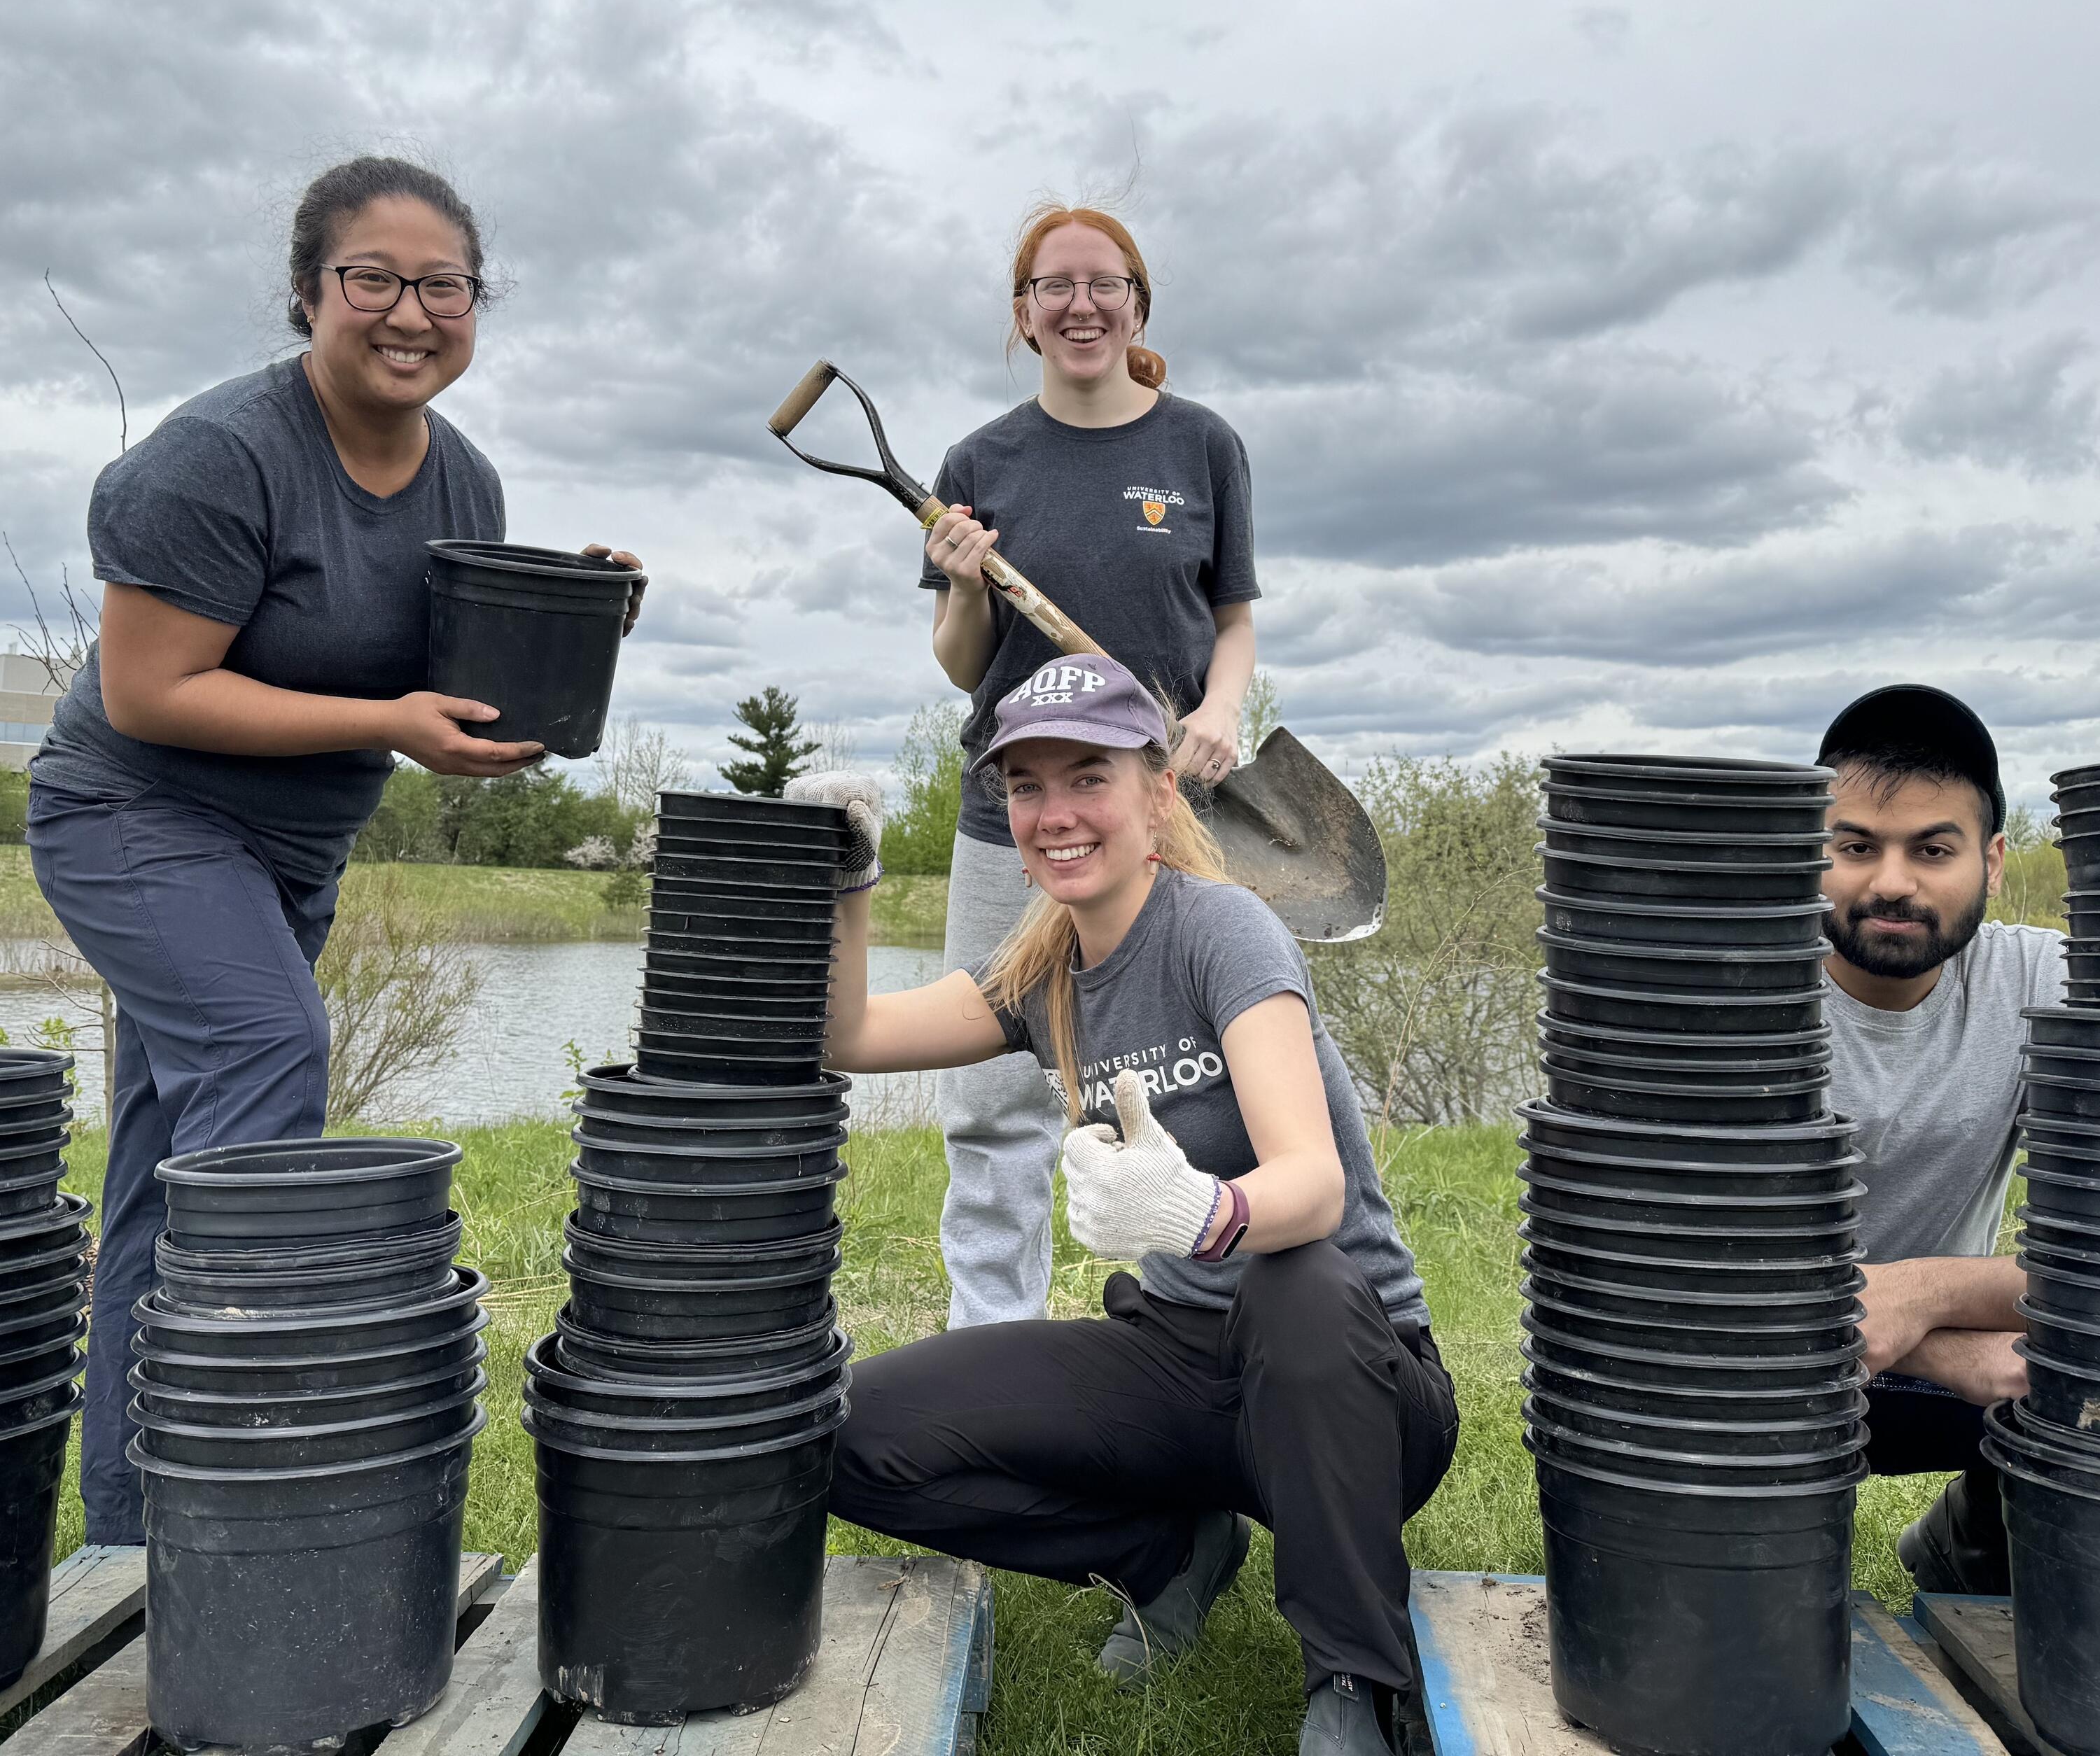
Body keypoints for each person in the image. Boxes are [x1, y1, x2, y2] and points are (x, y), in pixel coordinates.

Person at [29, 155, 645, 1545]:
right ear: (309, 292)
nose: (411, 311)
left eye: (446, 285)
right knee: (266, 1056)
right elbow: (149, 694)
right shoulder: (217, 458)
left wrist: (574, 622)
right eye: (373, 278)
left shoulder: (464, 480)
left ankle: (138, 1538)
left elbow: (457, 685)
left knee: (161, 1184)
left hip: (287, 858)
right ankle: (245, 1499)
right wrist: (389, 723)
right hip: (136, 819)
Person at [790, 654, 1455, 1756]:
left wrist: (1195, 1212)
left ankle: (1353, 1681)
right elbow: (851, 1038)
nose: (1055, 814)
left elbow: (1313, 1185)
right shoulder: (1046, 966)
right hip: (1187, 1367)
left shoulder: (1222, 931)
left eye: (1086, 777)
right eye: (1028, 786)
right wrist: (844, 886)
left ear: (1156, 793)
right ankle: (1166, 1555)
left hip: (1356, 1393)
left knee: (1294, 1279)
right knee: (845, 1438)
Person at [920, 202, 1261, 1328]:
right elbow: (962, 665)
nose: (1080, 305)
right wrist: (968, 582)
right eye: (1053, 287)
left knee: (1208, 1087)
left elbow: (1233, 620)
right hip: (1014, 815)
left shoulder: (1203, 446)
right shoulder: (980, 460)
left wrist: (1219, 706)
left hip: (1170, 809)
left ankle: (1207, 1326)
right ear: (1022, 315)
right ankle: (993, 1344)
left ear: (1138, 302)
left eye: (1103, 283)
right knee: (996, 1099)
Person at [1816, 685, 2064, 1594]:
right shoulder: (1733, 994)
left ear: (1994, 863)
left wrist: (1923, 1294)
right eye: (1855, 847)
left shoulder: (2048, 986)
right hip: (1736, 1370)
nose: (1891, 881)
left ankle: (1979, 1541)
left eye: (1932, 849)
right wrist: (1925, 1336)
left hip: (1961, 1366)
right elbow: (1658, 1279)